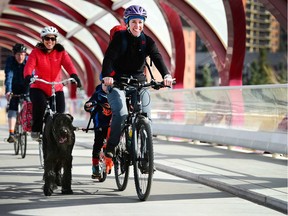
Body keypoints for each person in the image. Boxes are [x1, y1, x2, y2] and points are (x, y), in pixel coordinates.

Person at [101, 5, 174, 158]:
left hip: (139, 83)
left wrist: (166, 75)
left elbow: (157, 57)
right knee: (121, 114)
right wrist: (107, 76)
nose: (137, 26)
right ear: (127, 23)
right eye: (134, 22)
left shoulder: (147, 41)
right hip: (117, 83)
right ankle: (112, 146)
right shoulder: (120, 39)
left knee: (146, 116)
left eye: (140, 22)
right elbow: (108, 59)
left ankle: (146, 156)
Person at [23, 26, 82, 141]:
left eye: (52, 39)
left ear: (56, 40)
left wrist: (74, 75)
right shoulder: (36, 52)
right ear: (42, 40)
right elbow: (29, 67)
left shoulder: (61, 52)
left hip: (56, 87)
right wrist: (28, 76)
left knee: (61, 111)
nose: (50, 41)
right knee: (40, 105)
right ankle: (36, 130)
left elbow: (69, 65)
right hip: (39, 86)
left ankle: (59, 136)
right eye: (47, 39)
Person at [84, 84, 112, 178]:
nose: (107, 87)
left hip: (112, 124)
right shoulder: (98, 93)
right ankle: (95, 166)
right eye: (105, 84)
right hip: (100, 123)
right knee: (98, 143)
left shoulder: (117, 92)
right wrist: (88, 105)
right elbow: (91, 102)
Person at [4, 43, 28, 143]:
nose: (20, 57)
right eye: (18, 54)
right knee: (12, 108)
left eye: (23, 54)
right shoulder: (10, 61)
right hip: (13, 87)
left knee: (28, 105)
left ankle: (27, 125)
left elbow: (31, 76)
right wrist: (8, 91)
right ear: (14, 54)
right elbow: (9, 76)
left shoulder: (28, 61)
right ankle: (12, 133)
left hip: (25, 87)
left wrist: (30, 91)